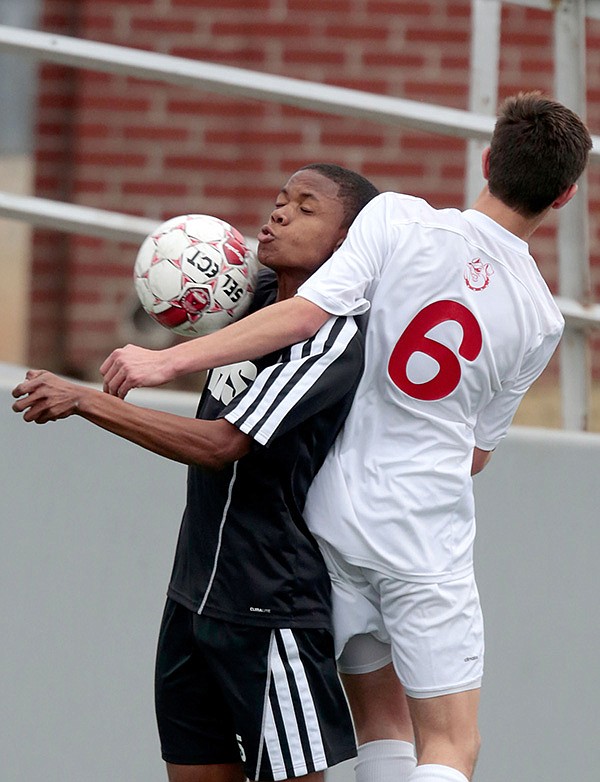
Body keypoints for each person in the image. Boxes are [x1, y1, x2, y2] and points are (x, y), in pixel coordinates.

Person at [99, 93, 593, 782]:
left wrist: (169, 358)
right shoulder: (539, 317)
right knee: (451, 743)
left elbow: (304, 314)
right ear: (565, 195)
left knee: (378, 713)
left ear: (487, 158)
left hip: (332, 514)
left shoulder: (397, 219)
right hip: (423, 531)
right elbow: (477, 455)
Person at [12, 163, 382, 782]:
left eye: (306, 207)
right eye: (280, 198)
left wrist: (85, 399)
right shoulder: (250, 298)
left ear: (347, 243)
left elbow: (222, 445)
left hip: (270, 612)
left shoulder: (332, 341)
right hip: (192, 599)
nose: (280, 213)